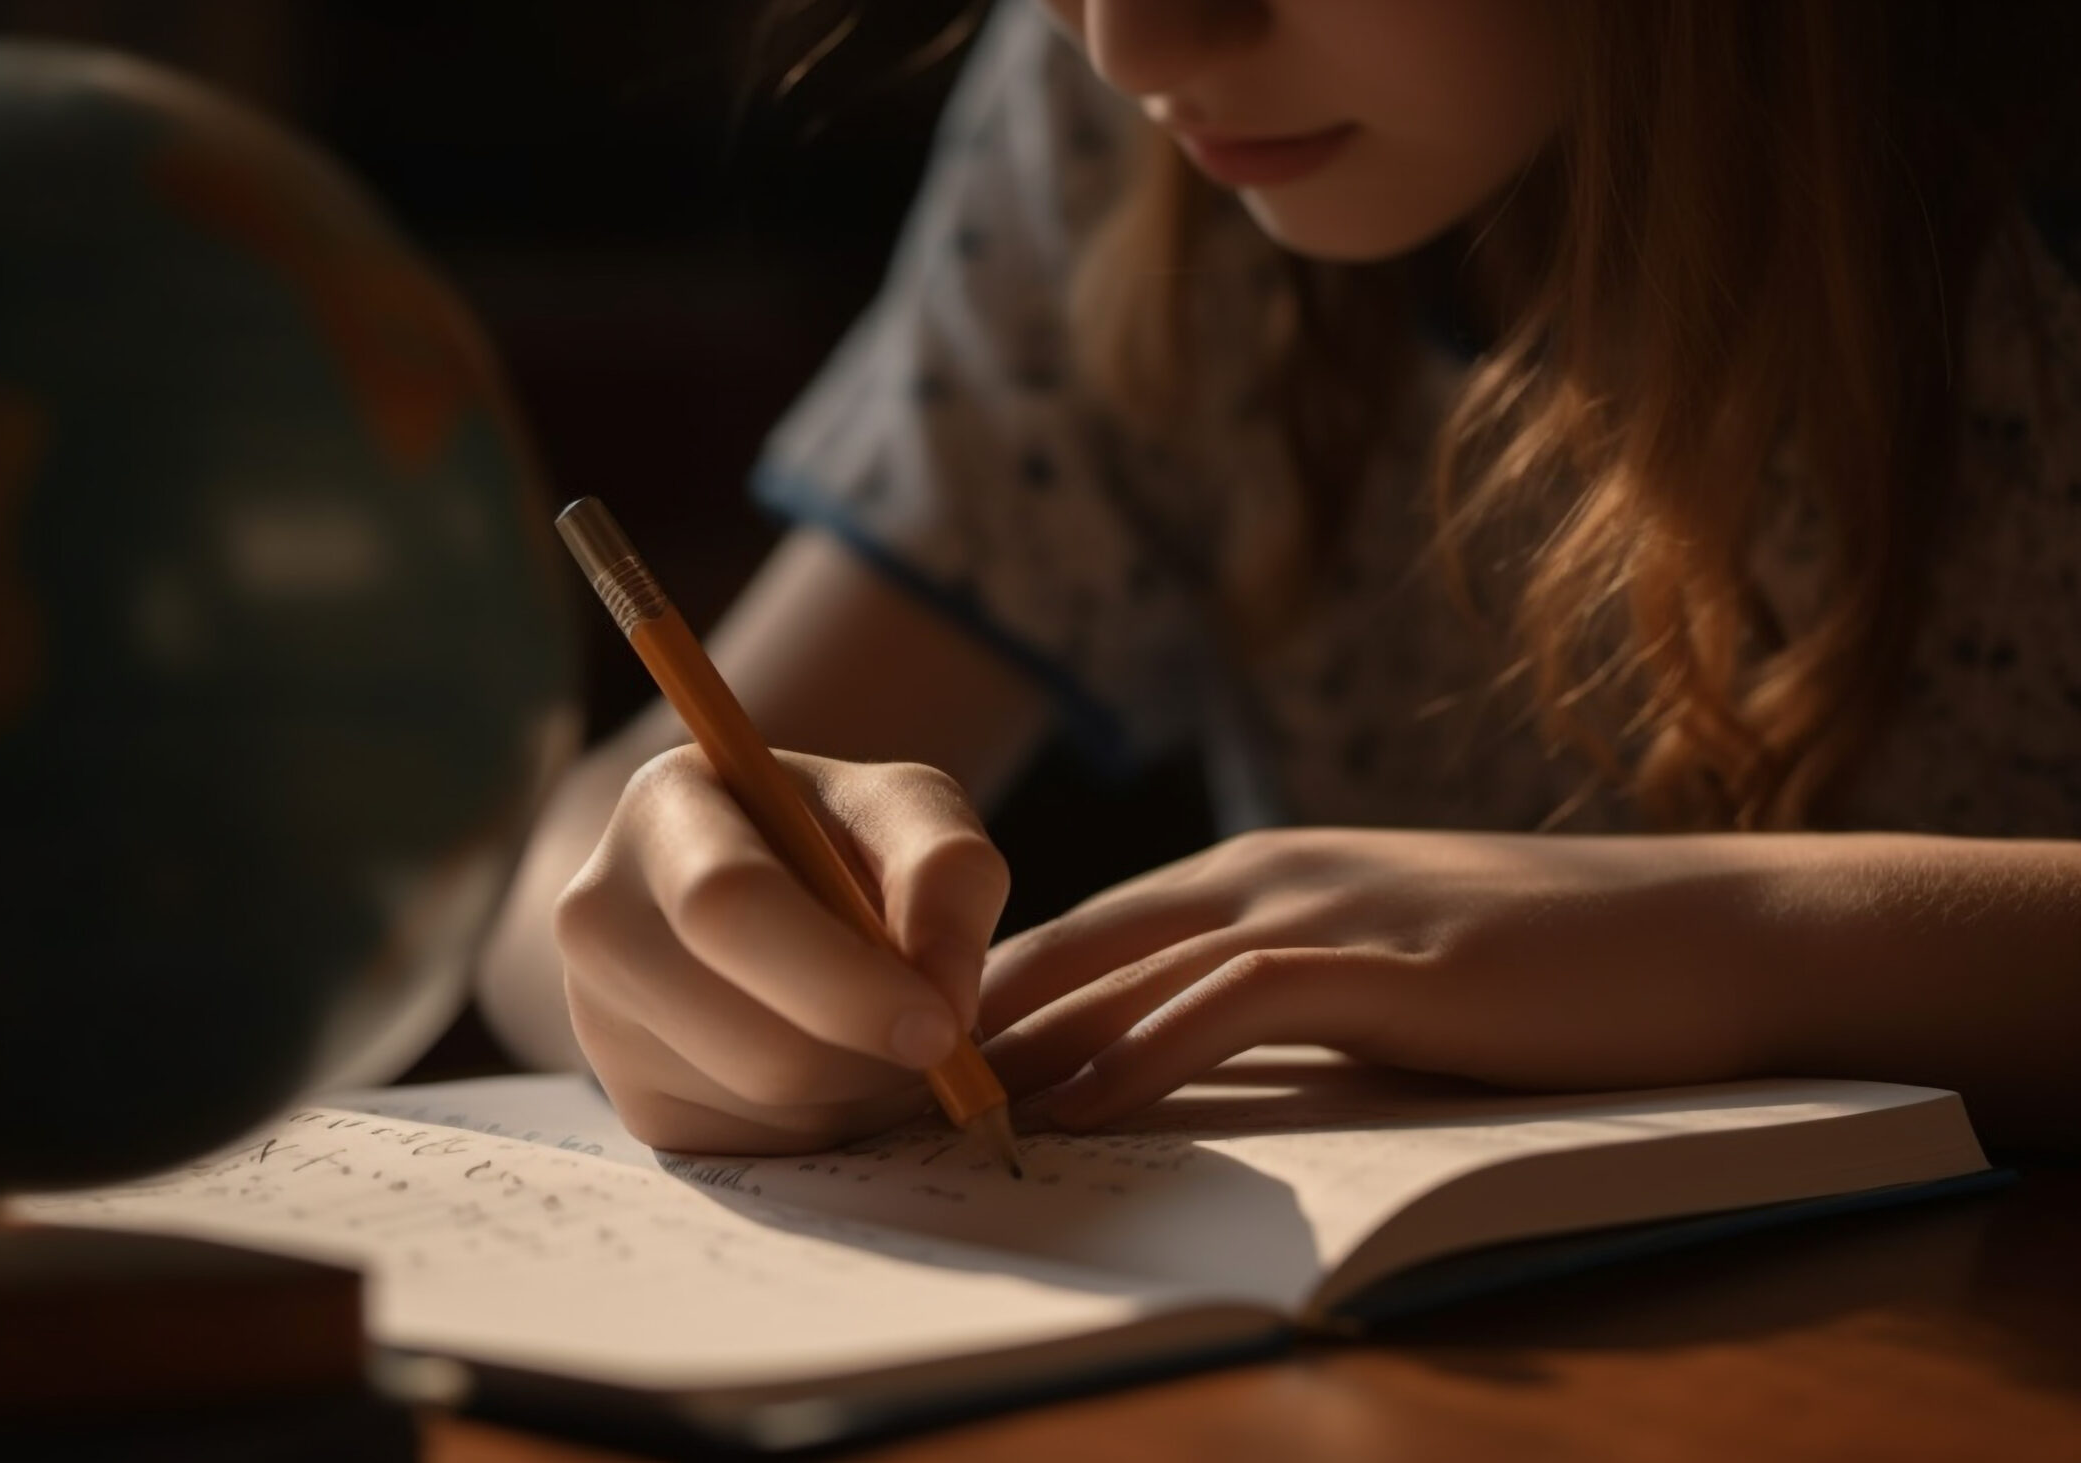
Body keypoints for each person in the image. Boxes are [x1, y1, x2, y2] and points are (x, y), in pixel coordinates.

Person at [477, 0, 2081, 1156]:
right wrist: (674, 955)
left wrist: (1746, 949)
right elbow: (580, 856)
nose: (1130, 46)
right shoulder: (1130, 161)